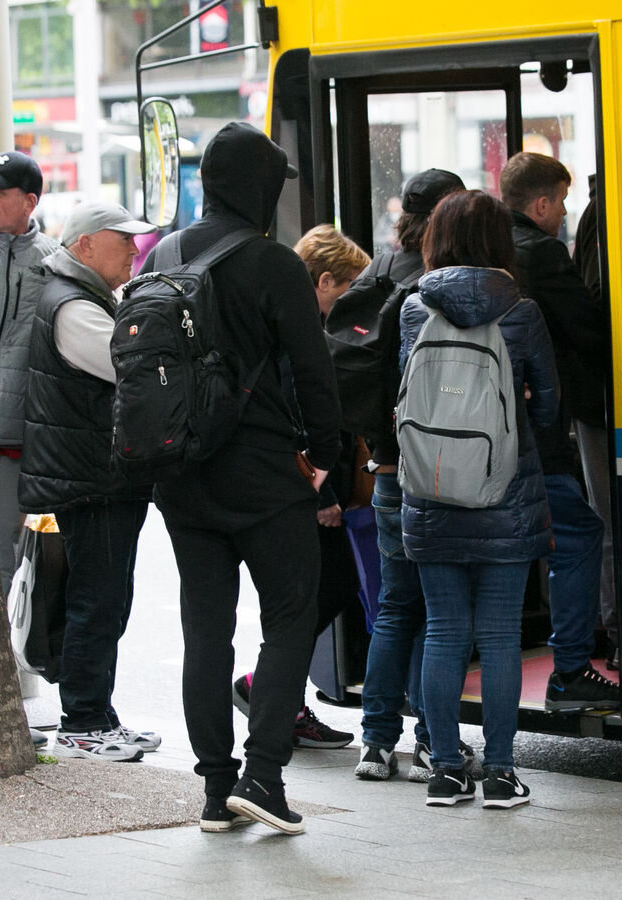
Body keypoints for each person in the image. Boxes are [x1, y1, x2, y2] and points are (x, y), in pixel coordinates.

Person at [144, 122, 342, 836]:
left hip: (181, 474)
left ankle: (214, 792)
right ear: (259, 187)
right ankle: (263, 775)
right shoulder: (272, 264)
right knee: (290, 616)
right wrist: (325, 460)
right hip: (262, 475)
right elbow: (314, 375)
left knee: (207, 630)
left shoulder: (159, 255)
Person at [399, 189, 557, 808]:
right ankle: (499, 773)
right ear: (499, 243)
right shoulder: (520, 311)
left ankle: (443, 770)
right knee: (496, 637)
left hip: (430, 485)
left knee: (442, 633)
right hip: (505, 491)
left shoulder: (415, 308)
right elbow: (547, 406)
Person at [350, 168, 482, 784]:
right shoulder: (435, 288)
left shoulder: (376, 274)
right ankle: (433, 740)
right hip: (434, 469)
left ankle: (375, 743)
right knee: (437, 613)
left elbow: (365, 382)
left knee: (394, 608)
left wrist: (377, 449)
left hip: (385, 467)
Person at [17, 200, 159, 762]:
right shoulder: (73, 306)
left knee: (105, 598)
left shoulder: (86, 297)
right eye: (120, 239)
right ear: (83, 246)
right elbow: (130, 367)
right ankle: (82, 721)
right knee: (97, 601)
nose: (133, 249)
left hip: (98, 475)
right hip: (90, 479)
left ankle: (98, 715)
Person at [231, 224, 369, 751]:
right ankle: (270, 693)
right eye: (347, 290)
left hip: (300, 484)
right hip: (305, 487)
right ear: (325, 280)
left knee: (316, 594)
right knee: (321, 591)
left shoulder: (288, 320)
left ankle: (277, 696)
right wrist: (325, 493)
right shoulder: (299, 330)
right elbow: (299, 415)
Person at [499, 152, 617, 709]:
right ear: (542, 204)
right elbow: (588, 328)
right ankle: (570, 666)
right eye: (563, 201)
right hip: (535, 439)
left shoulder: (487, 252)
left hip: (476, 445)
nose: (567, 213)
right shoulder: (541, 253)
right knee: (583, 531)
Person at [0, 152, 59, 596]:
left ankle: (0, 661)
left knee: (6, 558)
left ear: (30, 202)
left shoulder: (53, 262)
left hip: (11, 442)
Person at [571, 173, 618, 668]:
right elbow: (596, 307)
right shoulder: (607, 215)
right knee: (609, 520)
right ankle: (616, 629)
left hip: (596, 398)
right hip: (601, 399)